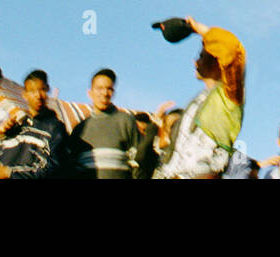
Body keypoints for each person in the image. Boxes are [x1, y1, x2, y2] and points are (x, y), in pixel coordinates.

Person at [155, 18, 246, 179]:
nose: (195, 61)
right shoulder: (199, 100)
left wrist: (198, 29)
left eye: (201, 56)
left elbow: (232, 50)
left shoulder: (228, 95)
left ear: (218, 62)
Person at [0, 69, 68, 179]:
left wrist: (8, 172)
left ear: (47, 90)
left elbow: (50, 169)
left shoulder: (55, 128)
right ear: (25, 94)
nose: (38, 95)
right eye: (32, 91)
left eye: (42, 90)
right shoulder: (18, 127)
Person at [68, 68, 141, 179]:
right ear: (90, 93)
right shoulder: (80, 129)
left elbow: (138, 163)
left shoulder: (126, 121)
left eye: (109, 89)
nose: (105, 93)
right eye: (99, 88)